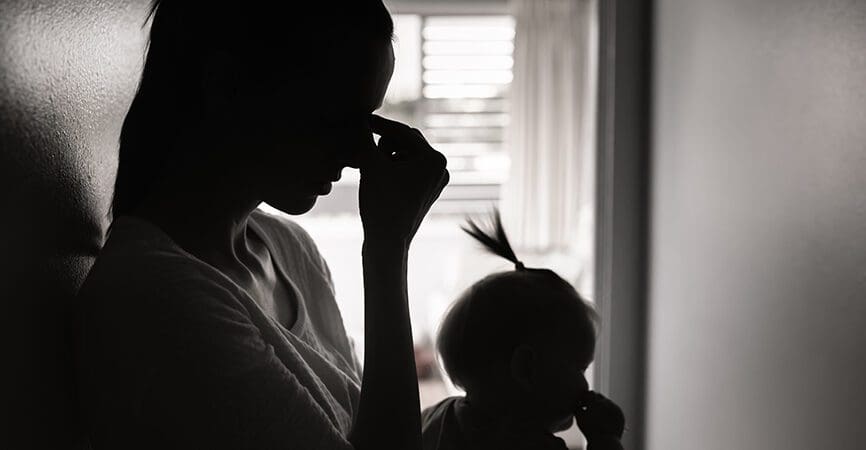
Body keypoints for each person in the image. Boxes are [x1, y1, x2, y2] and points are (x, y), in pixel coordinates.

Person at [75, 1, 448, 449]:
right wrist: (389, 250)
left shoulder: (290, 248)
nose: (358, 153)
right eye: (336, 115)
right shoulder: (153, 295)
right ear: (227, 87)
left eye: (366, 119)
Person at [420, 211, 625, 450]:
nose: (584, 384)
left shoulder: (436, 418)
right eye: (579, 368)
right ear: (526, 368)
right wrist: (606, 440)